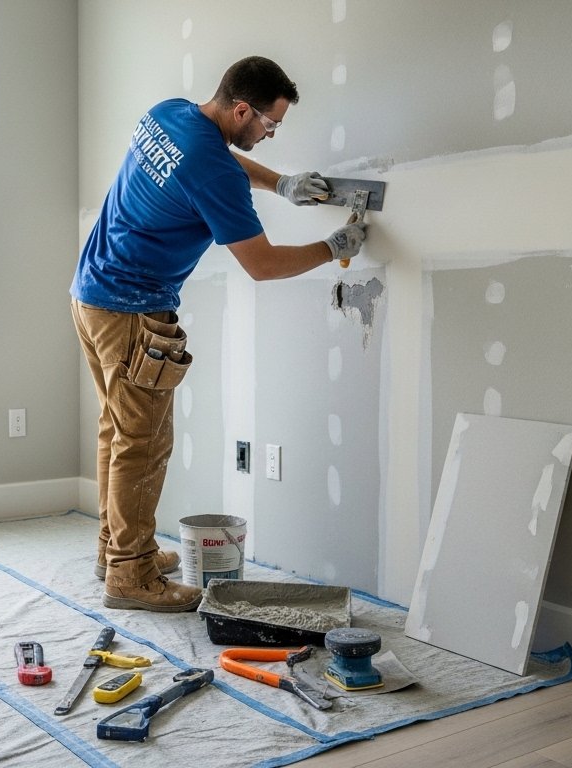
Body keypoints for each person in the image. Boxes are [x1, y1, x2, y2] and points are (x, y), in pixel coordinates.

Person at [70, 56, 368, 612]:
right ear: (240, 109)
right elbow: (263, 264)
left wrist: (281, 183)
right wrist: (334, 248)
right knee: (144, 442)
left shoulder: (171, 114)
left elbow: (215, 155)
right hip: (133, 311)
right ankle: (129, 576)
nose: (269, 133)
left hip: (91, 295)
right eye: (268, 124)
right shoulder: (217, 175)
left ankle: (117, 549)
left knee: (118, 431)